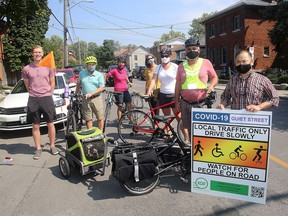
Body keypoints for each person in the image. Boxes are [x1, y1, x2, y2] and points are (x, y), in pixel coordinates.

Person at [175, 38, 218, 143]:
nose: (191, 51)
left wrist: (211, 86)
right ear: (185, 51)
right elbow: (178, 85)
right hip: (185, 103)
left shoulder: (206, 62)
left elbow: (214, 77)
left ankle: (202, 154)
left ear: (199, 50)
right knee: (189, 129)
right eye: (189, 49)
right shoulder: (181, 66)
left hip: (201, 103)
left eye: (194, 48)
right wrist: (177, 101)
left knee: (202, 130)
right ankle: (192, 153)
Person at [21, 45, 59, 160]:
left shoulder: (49, 67)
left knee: (50, 124)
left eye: (39, 52)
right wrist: (34, 93)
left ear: (42, 54)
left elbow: (52, 83)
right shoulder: (26, 69)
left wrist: (49, 94)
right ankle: (38, 148)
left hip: (46, 98)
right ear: (32, 54)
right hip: (33, 99)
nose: (37, 54)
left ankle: (52, 146)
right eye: (35, 52)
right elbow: (27, 85)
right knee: (35, 125)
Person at [146, 48, 178, 117]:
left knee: (178, 117)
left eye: (166, 56)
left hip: (174, 95)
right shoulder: (158, 67)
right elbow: (154, 80)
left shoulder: (175, 67)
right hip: (163, 95)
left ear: (170, 56)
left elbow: (180, 81)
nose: (164, 58)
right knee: (167, 118)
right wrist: (148, 91)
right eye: (162, 56)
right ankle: (168, 128)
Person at [76, 56, 105, 131]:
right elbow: (78, 83)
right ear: (86, 65)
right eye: (90, 64)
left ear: (95, 65)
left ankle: (100, 134)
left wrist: (91, 93)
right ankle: (91, 135)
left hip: (96, 98)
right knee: (88, 119)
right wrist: (76, 92)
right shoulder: (82, 73)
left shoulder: (99, 75)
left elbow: (102, 87)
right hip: (85, 99)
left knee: (100, 118)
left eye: (93, 64)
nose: (91, 66)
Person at [105, 56, 133, 121]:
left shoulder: (125, 70)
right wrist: (103, 84)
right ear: (117, 63)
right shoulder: (114, 71)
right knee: (120, 107)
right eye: (120, 62)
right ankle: (120, 121)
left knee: (129, 105)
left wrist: (128, 82)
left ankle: (130, 118)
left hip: (125, 90)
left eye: (122, 63)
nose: (121, 64)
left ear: (124, 63)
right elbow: (106, 75)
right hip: (118, 91)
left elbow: (125, 76)